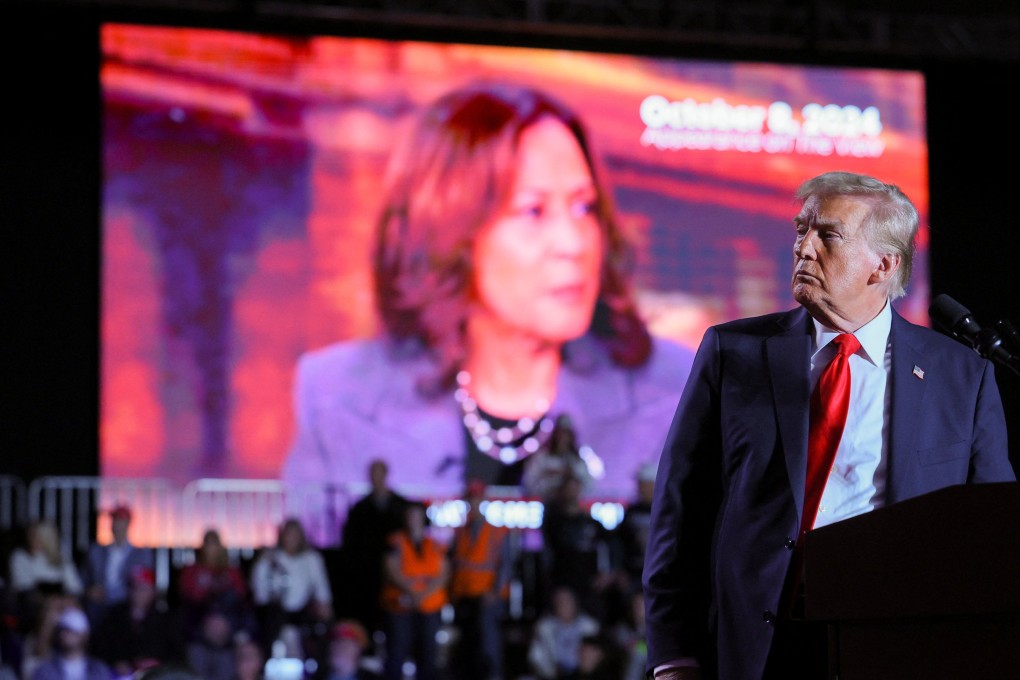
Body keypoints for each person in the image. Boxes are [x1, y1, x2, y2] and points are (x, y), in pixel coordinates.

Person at [642, 171, 1016, 680]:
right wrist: (673, 655)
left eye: (827, 235)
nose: (803, 248)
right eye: (802, 229)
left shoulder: (962, 377)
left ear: (883, 265)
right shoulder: (734, 353)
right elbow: (680, 512)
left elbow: (986, 535)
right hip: (758, 645)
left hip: (898, 643)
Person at [281, 81, 696, 521]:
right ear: (451, 229)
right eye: (533, 211)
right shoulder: (336, 396)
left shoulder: (676, 392)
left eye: (583, 208)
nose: (572, 243)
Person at [336, 459, 409, 644]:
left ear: (386, 474)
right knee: (367, 619)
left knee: (397, 626)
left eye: (379, 473)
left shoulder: (402, 506)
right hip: (368, 576)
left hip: (398, 578)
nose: (376, 477)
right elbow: (350, 544)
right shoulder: (360, 509)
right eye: (372, 473)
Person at [446, 480, 512, 680]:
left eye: (477, 498)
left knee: (487, 643)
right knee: (465, 643)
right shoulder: (460, 531)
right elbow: (455, 563)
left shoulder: (496, 531)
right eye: (470, 499)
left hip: (487, 598)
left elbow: (506, 564)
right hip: (464, 596)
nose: (473, 503)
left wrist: (495, 591)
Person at [379, 502, 449, 680]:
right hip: (399, 606)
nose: (414, 520)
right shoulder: (395, 541)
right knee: (397, 650)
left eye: (417, 516)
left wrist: (422, 595)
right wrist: (412, 592)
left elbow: (443, 573)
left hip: (429, 606)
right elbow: (391, 570)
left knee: (428, 652)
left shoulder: (434, 544)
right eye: (410, 516)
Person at [250, 518, 334, 654]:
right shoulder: (271, 557)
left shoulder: (312, 559)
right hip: (275, 612)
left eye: (295, 534)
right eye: (288, 534)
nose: (291, 538)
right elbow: (259, 588)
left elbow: (321, 586)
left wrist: (324, 604)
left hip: (303, 613)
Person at [92, 565, 185, 677]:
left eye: (143, 588)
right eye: (134, 588)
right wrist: (116, 662)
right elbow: (100, 647)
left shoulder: (164, 620)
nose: (138, 593)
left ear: (153, 591)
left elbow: (176, 653)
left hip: (156, 675)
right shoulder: (114, 616)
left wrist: (156, 664)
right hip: (120, 675)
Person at [80, 504, 155, 629]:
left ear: (128, 524)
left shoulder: (141, 554)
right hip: (99, 601)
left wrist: (119, 594)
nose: (117, 525)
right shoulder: (96, 551)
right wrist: (89, 591)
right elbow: (83, 580)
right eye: (115, 521)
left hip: (127, 600)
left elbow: (144, 584)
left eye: (121, 521)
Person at [177, 528, 250, 639]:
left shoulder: (231, 571)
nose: (211, 549)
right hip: (200, 615)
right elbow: (187, 594)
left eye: (214, 544)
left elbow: (240, 594)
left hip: (228, 617)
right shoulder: (191, 570)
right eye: (208, 544)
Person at [525, 585, 599, 680]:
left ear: (575, 603)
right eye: (560, 601)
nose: (563, 605)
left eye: (567, 601)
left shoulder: (590, 627)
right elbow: (535, 657)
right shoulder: (544, 627)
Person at [521, 414, 594, 502]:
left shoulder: (577, 461)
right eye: (560, 433)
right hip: (547, 504)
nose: (562, 438)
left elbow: (590, 487)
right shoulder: (541, 458)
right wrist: (548, 476)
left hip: (570, 507)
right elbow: (528, 484)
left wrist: (571, 475)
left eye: (566, 434)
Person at [29, 606, 114, 680]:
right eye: (62, 631)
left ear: (83, 635)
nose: (64, 635)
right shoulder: (45, 671)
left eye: (70, 631)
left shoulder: (99, 670)